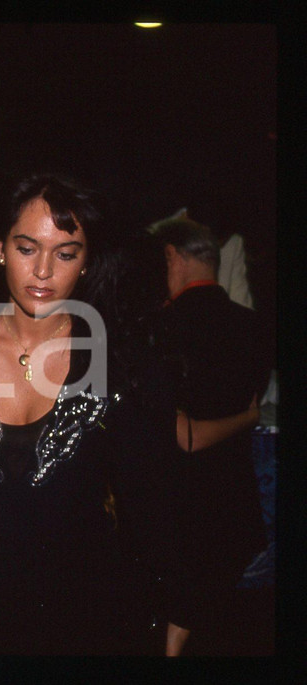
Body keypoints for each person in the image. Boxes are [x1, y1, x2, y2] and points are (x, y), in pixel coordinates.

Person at [0, 173, 189, 655]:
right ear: (0, 249)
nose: (42, 271)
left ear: (86, 261)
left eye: (65, 254)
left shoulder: (120, 366)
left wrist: (177, 612)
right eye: (26, 248)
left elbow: (155, 505)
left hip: (85, 617)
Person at [148, 216, 269, 656]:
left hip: (178, 518)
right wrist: (250, 417)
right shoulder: (256, 327)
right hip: (234, 514)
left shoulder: (159, 329)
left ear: (172, 257)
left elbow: (183, 437)